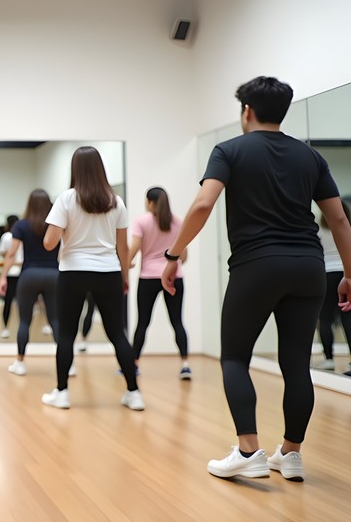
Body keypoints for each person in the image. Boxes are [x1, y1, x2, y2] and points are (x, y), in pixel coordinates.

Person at [162, 77, 351, 481]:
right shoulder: (309, 156)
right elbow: (338, 219)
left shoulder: (229, 150)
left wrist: (173, 255)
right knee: (297, 363)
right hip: (308, 267)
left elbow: (201, 205)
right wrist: (349, 274)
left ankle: (249, 450)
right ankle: (291, 454)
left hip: (256, 265)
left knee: (234, 357)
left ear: (246, 110)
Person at [42, 147, 143, 411]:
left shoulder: (66, 198)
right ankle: (134, 393)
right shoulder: (115, 201)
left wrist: (62, 231)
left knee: (66, 335)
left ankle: (62, 392)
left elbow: (49, 243)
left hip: (73, 272)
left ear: (75, 169)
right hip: (109, 272)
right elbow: (122, 247)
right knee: (117, 334)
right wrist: (124, 277)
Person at [128, 187, 191, 378]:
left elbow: (135, 248)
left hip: (148, 278)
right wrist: (173, 265)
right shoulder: (178, 221)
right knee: (177, 322)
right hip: (174, 277)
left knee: (142, 323)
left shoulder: (142, 221)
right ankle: (185, 365)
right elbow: (184, 256)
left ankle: (134, 364)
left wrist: (126, 264)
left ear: (150, 202)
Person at [0, 190, 60, 376]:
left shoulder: (21, 225)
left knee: (24, 320)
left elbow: (11, 253)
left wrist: (3, 276)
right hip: (54, 275)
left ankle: (20, 362)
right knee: (56, 320)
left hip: (29, 275)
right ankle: (67, 363)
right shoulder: (55, 223)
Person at [316, 201, 351, 371]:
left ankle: (328, 358)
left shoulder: (318, 228)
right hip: (346, 274)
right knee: (348, 318)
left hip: (326, 275)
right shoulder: (348, 227)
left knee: (325, 318)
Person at [0, 215, 20, 339]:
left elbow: (2, 252)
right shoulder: (23, 234)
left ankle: (5, 328)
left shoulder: (6, 236)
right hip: (22, 272)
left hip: (11, 273)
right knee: (23, 303)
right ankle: (23, 328)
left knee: (8, 302)